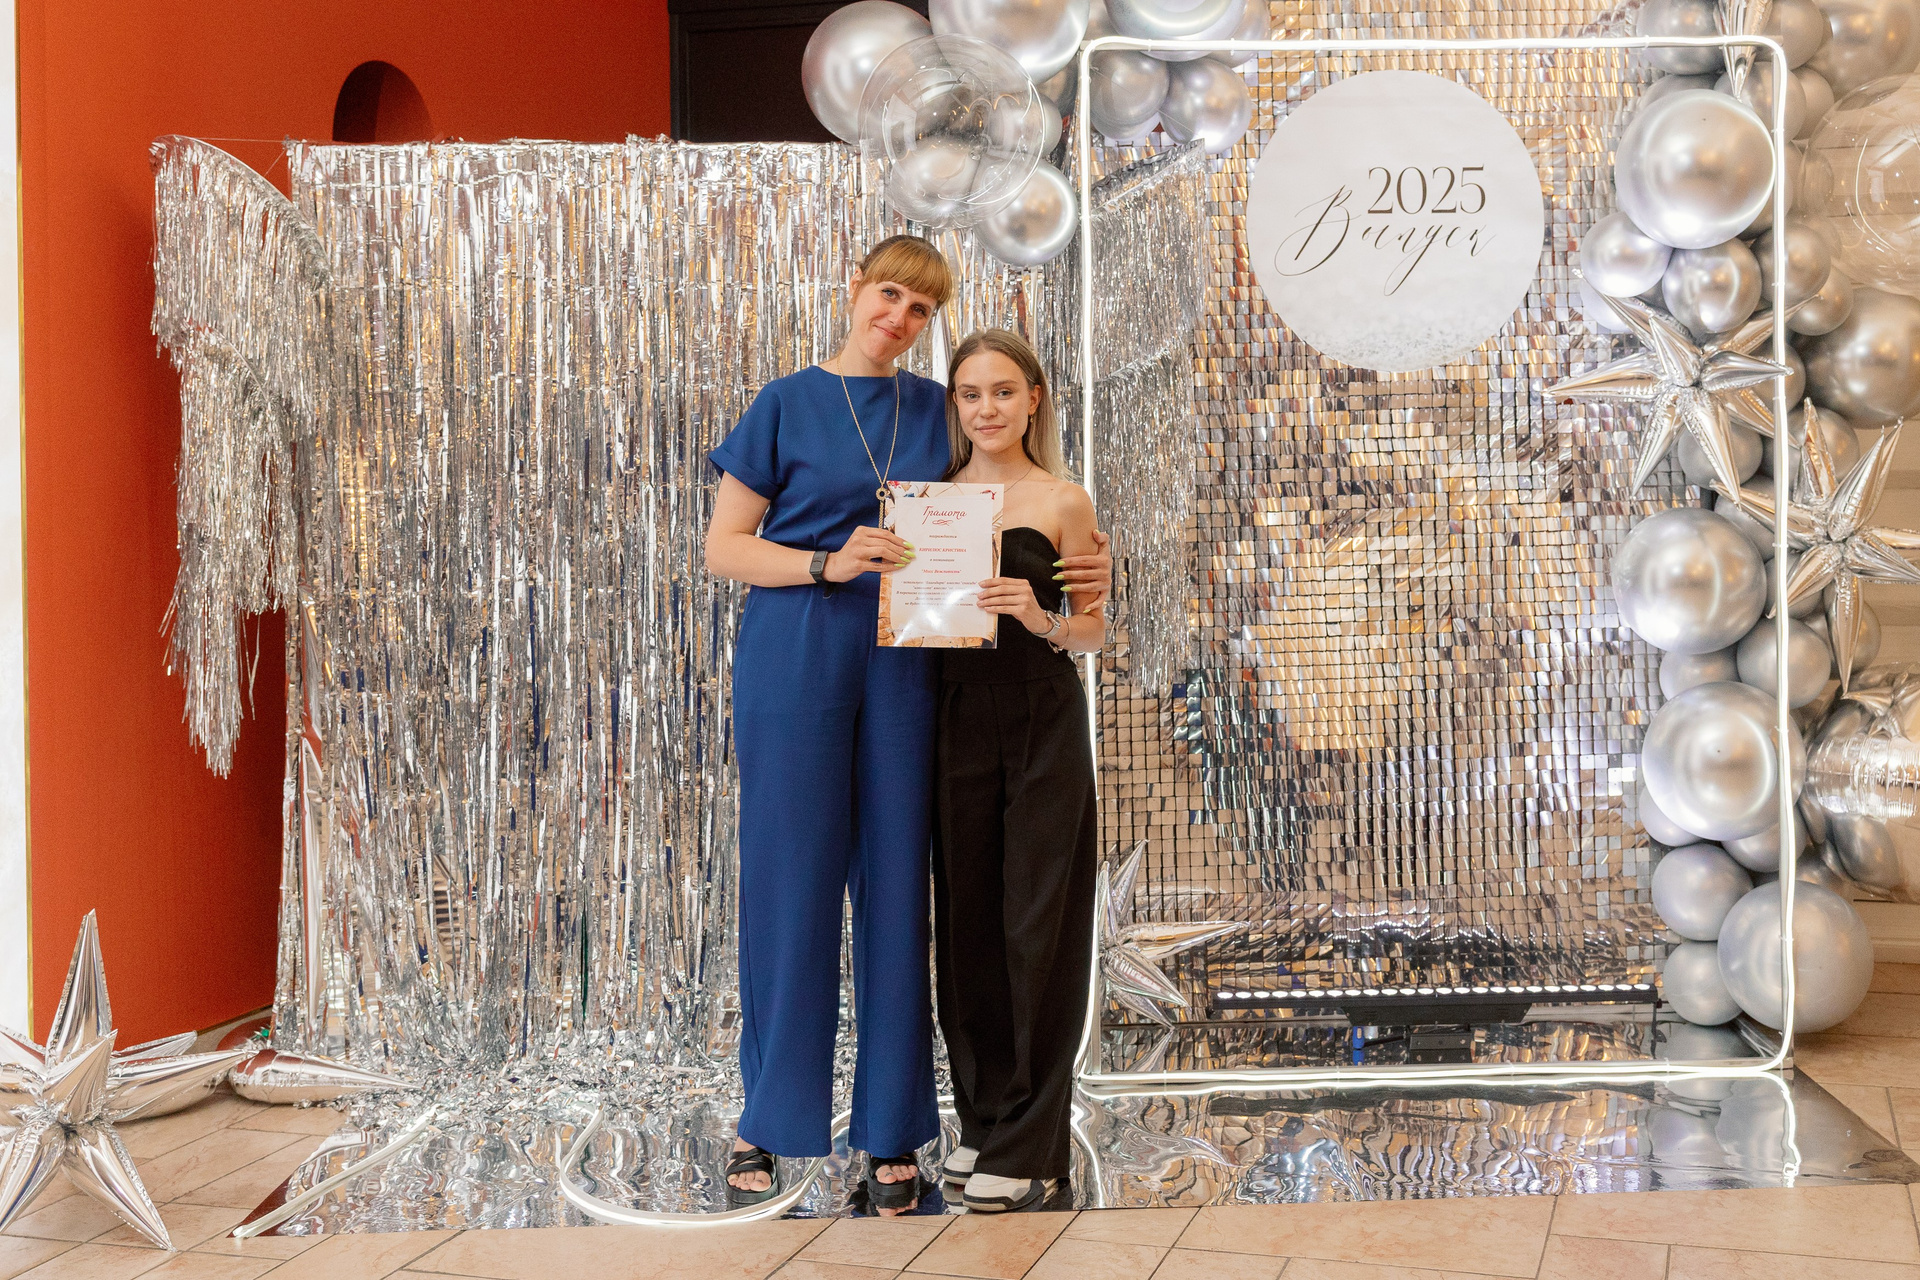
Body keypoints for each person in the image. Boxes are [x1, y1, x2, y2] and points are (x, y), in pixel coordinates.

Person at [703, 239, 1110, 1214]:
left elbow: (1016, 508)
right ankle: (769, 1116)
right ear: (856, 290)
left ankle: (892, 1127)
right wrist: (825, 562)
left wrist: (1088, 567)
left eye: (921, 309)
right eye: (889, 295)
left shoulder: (941, 408)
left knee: (897, 889)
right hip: (798, 648)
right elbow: (723, 548)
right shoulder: (785, 402)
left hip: (910, 664)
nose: (899, 317)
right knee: (792, 881)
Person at [931, 329, 1102, 1214]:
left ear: (1034, 399)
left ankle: (1033, 1142)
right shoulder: (925, 502)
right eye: (970, 393)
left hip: (1042, 716)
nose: (987, 408)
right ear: (954, 404)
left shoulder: (1064, 500)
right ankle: (985, 1118)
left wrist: (1041, 617)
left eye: (1003, 391)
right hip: (952, 716)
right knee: (966, 927)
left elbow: (1094, 629)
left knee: (1039, 923)